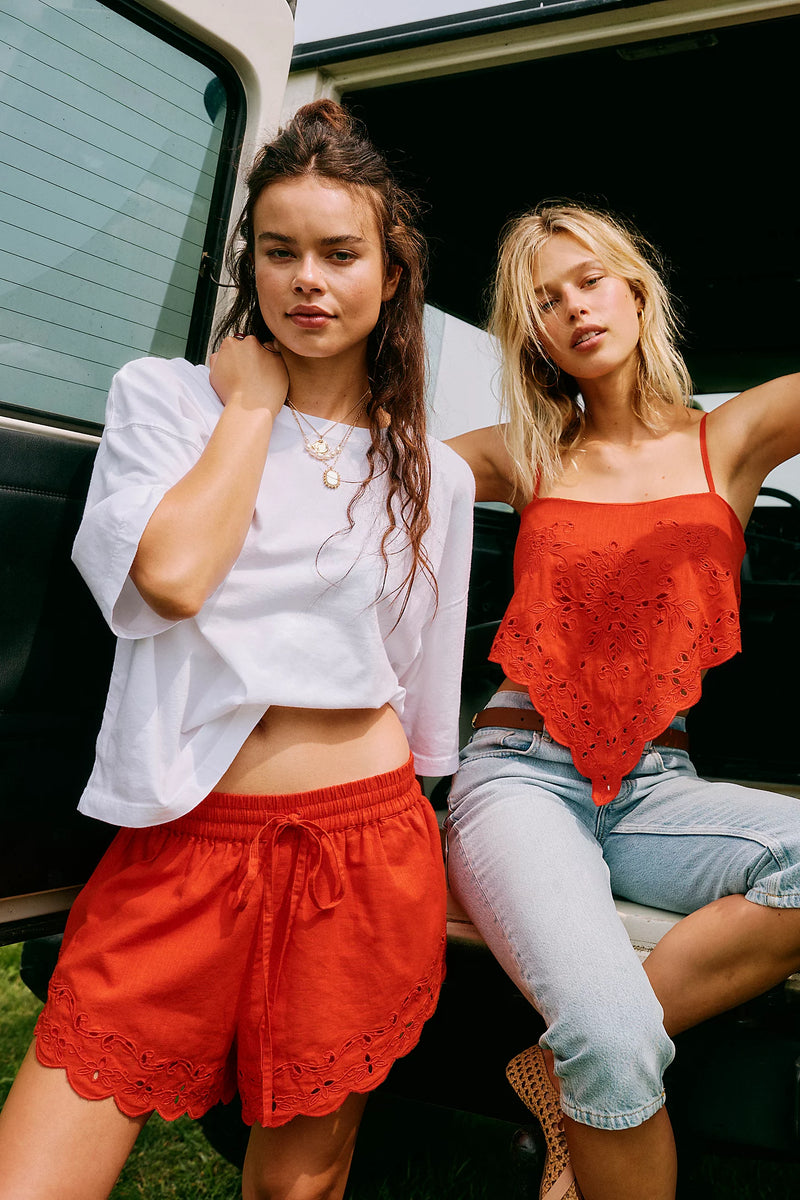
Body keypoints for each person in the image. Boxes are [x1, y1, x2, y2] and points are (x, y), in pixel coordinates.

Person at [0, 100, 474, 1200]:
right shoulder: (163, 399)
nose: (308, 278)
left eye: (339, 253)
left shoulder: (430, 474)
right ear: (249, 266)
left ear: (390, 274)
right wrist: (249, 410)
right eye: (279, 252)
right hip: (186, 838)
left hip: (362, 848)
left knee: (294, 1186)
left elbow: (418, 681)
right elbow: (167, 578)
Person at [444, 202, 800, 1200]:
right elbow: (376, 464)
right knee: (613, 1038)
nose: (572, 310)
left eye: (587, 281)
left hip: (654, 784)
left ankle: (564, 1073)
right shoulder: (528, 449)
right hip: (519, 775)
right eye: (544, 303)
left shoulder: (726, 440)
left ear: (635, 289)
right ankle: (594, 1057)